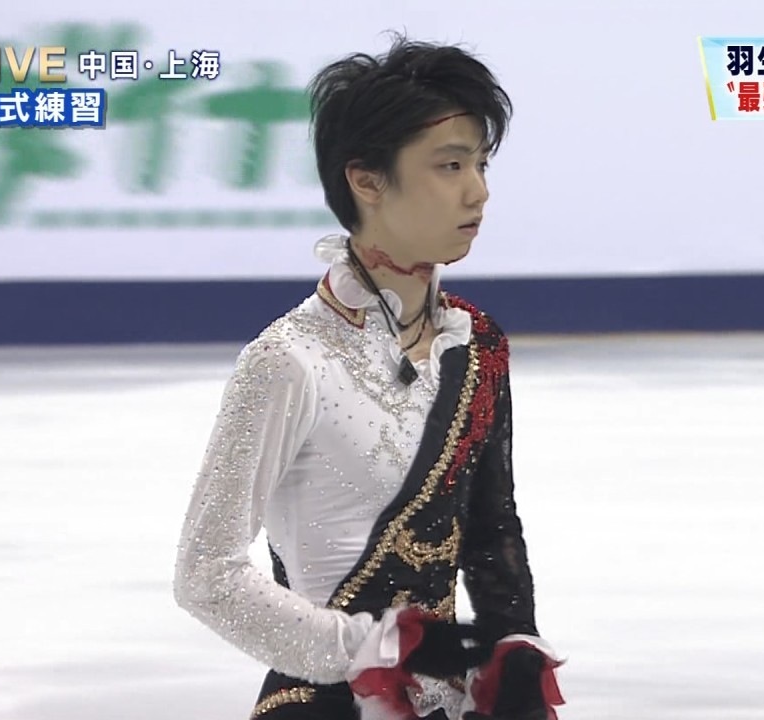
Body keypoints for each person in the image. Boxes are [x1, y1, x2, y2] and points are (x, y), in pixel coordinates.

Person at [172, 34, 565, 720]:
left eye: (480, 163)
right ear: (367, 180)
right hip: (323, 700)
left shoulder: (477, 344)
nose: (477, 191)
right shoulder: (289, 360)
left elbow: (490, 527)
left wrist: (514, 648)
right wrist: (368, 649)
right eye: (450, 165)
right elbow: (205, 574)